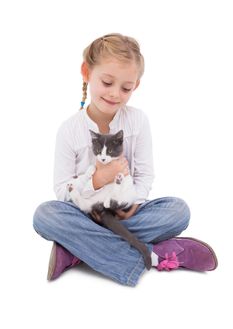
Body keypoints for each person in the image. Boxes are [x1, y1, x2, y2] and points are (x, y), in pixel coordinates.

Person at [33, 33, 218, 287]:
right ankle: (151, 256)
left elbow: (144, 176)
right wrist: (98, 180)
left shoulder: (137, 121)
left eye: (126, 88)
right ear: (87, 72)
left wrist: (127, 204)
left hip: (125, 213)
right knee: (46, 215)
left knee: (178, 211)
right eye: (107, 82)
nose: (115, 94)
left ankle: (78, 248)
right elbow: (62, 191)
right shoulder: (69, 130)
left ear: (136, 86)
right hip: (85, 213)